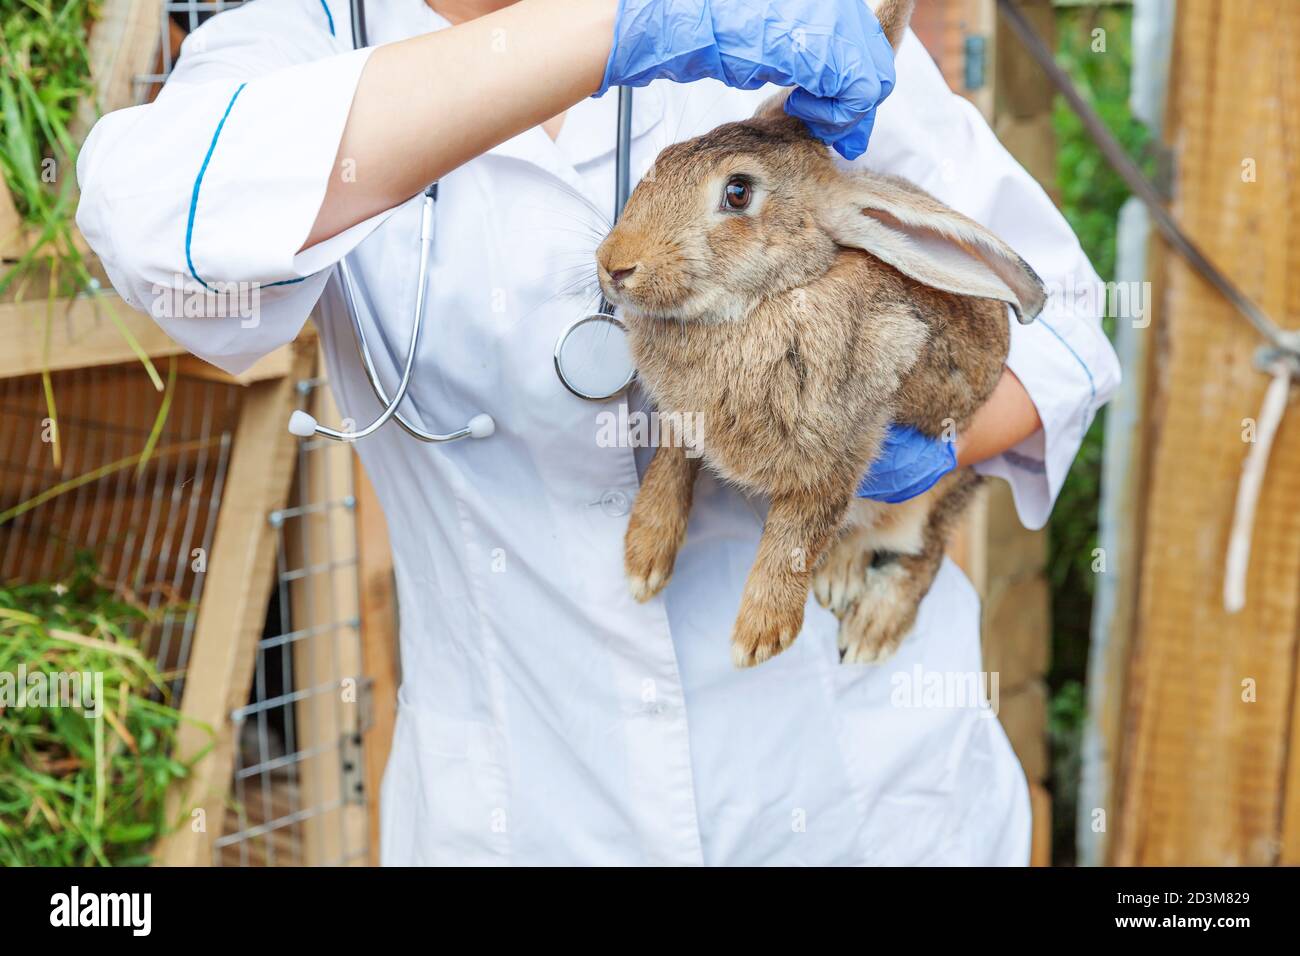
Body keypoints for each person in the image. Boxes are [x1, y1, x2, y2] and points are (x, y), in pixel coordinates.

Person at [76, 0, 1119, 865]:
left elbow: (1055, 314)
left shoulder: (776, 30)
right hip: (524, 814)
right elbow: (149, 219)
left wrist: (867, 445)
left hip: (861, 799)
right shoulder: (307, 43)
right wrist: (608, 29)